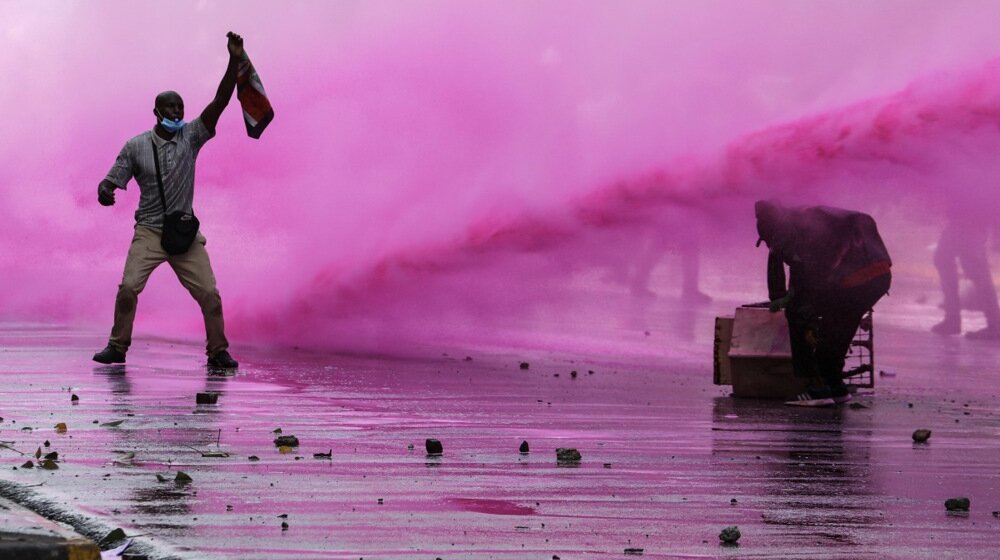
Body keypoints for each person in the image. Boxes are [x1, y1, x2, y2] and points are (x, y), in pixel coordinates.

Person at [92, 32, 246, 368]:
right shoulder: (136, 146)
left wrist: (234, 59)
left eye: (180, 106)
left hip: (183, 231)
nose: (176, 111)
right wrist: (106, 189)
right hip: (149, 231)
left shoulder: (191, 137)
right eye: (170, 106)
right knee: (129, 287)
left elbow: (220, 100)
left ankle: (218, 351)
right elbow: (112, 176)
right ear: (156, 111)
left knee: (210, 294)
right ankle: (117, 347)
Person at [754, 200, 892, 407]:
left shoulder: (783, 227)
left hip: (850, 279)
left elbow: (795, 265)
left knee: (798, 314)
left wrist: (785, 298)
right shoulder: (813, 215)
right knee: (837, 323)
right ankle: (834, 385)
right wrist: (788, 293)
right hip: (879, 277)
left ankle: (816, 387)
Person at [931, 200, 1000, 340]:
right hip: (969, 217)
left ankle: (993, 324)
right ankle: (954, 318)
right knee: (951, 260)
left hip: (969, 218)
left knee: (975, 269)